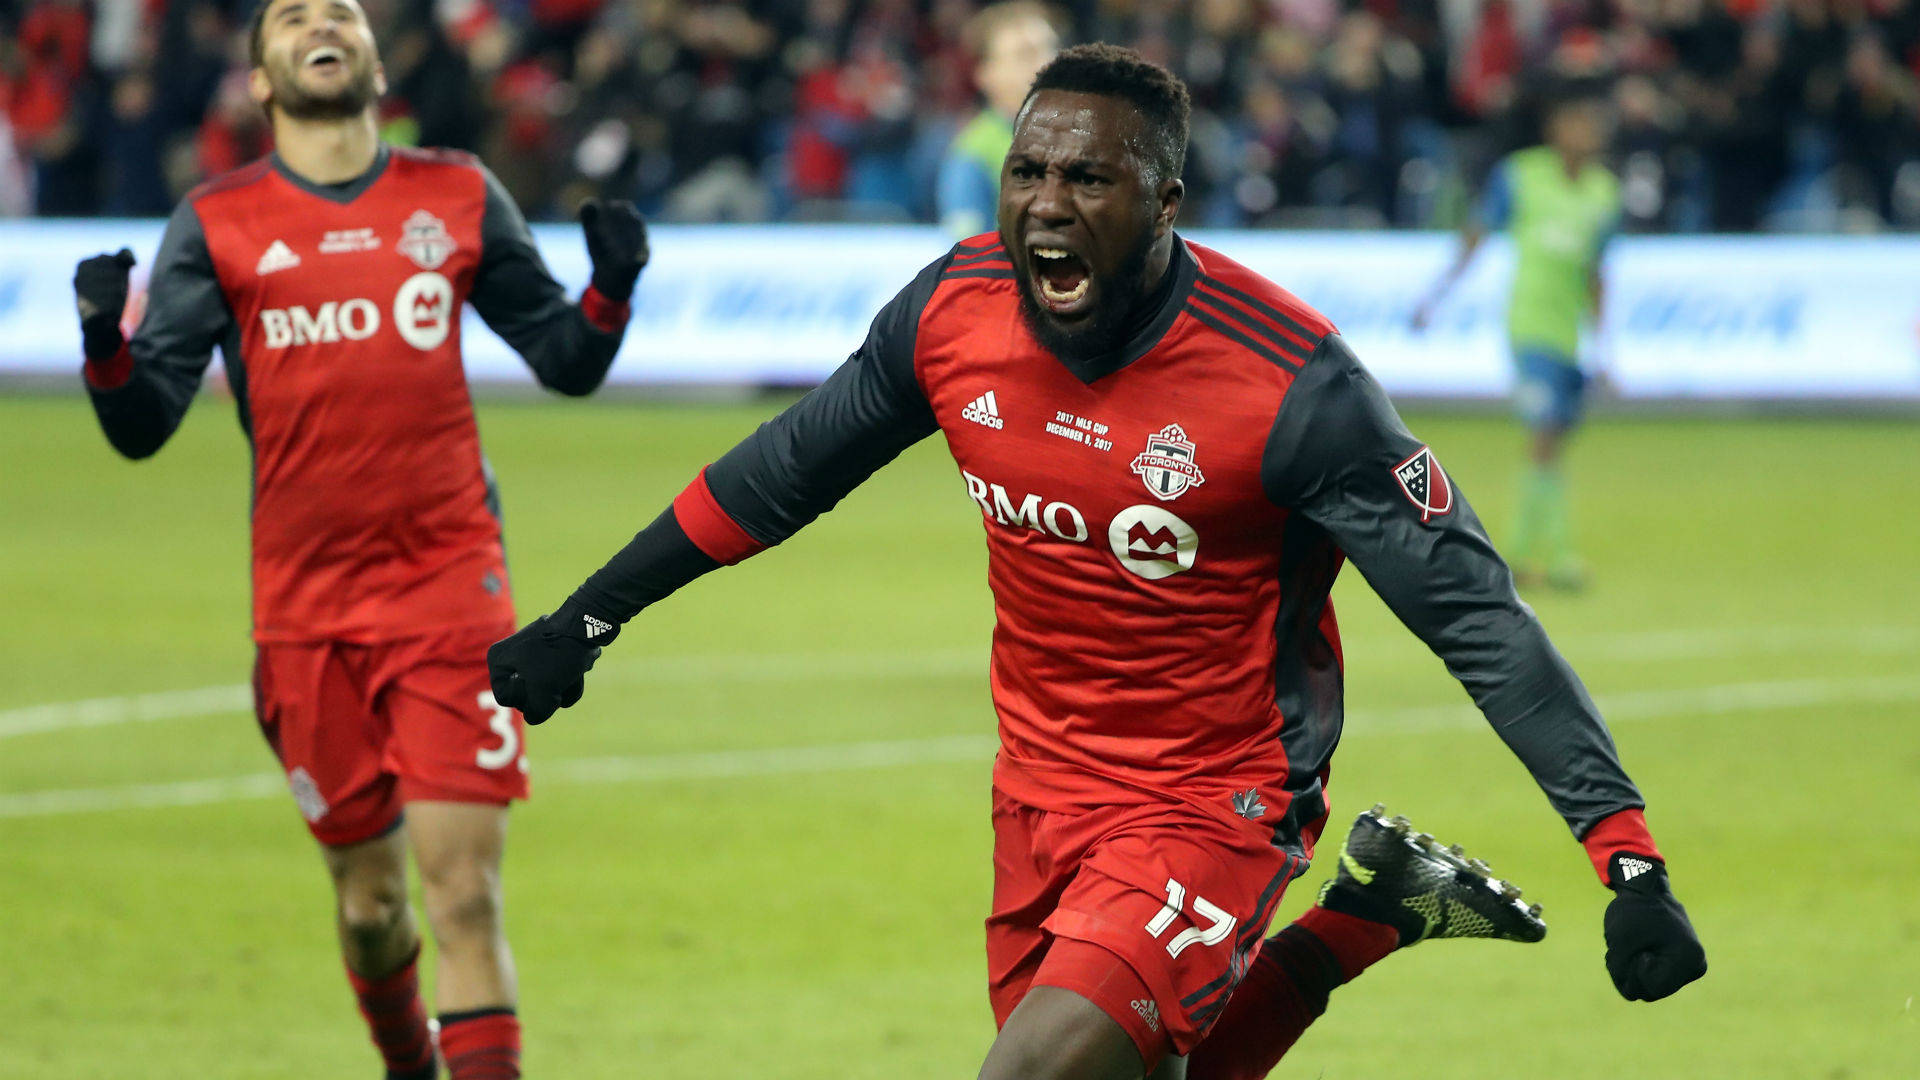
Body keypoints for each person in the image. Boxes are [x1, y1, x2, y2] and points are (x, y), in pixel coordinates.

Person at [490, 46, 1703, 1080]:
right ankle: (1362, 923)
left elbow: (1476, 617)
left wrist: (1627, 856)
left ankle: (1347, 918)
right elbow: (779, 475)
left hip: (1215, 793)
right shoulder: (953, 312)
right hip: (1038, 784)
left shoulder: (1294, 387)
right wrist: (590, 616)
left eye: (1089, 178)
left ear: (1166, 198)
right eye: (1029, 173)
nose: (1049, 206)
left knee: (1028, 1072)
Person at [68, 0, 649, 1076]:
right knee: (374, 906)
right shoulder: (218, 221)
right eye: (290, 17)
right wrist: (107, 342)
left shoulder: (457, 194)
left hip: (448, 593)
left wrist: (612, 287)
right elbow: (145, 421)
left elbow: (565, 358)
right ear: (259, 79)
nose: (318, 23)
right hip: (305, 613)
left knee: (465, 895)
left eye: (339, 12)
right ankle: (406, 1061)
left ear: (377, 61)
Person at [1411, 82, 1621, 591]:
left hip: (1568, 335)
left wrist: (1602, 346)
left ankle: (1540, 554)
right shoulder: (1522, 176)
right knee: (1544, 438)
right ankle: (1540, 557)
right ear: (1555, 130)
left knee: (1556, 444)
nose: (1586, 133)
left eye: (1591, 124)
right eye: (1576, 122)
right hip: (1529, 330)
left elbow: (1596, 272)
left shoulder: (1603, 193)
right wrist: (1437, 295)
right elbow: (1478, 234)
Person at [936, 1, 1060, 237]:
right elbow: (968, 260)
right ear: (986, 74)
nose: (1046, 62)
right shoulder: (973, 155)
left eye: (1051, 47)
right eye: (1025, 54)